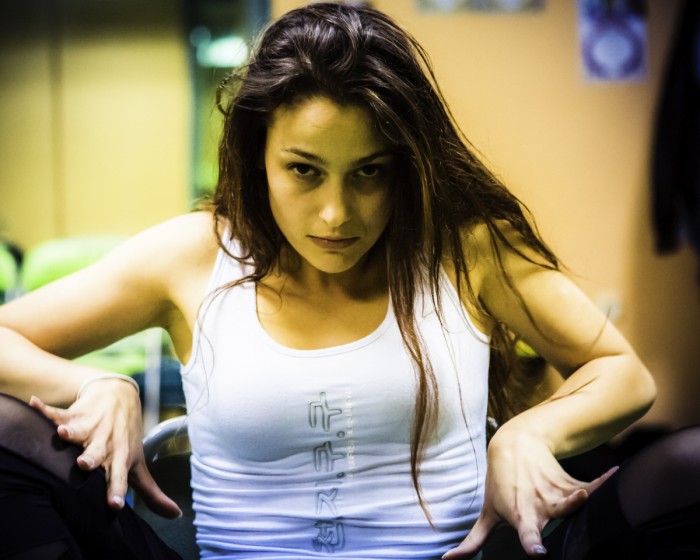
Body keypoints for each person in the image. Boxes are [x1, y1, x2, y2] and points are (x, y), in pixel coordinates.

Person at [0, 2, 698, 559]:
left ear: (406, 166)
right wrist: (95, 384)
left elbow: (622, 372)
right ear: (258, 156)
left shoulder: (466, 250)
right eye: (304, 170)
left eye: (369, 172)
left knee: (687, 468)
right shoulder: (193, 255)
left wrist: (529, 433)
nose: (336, 213)